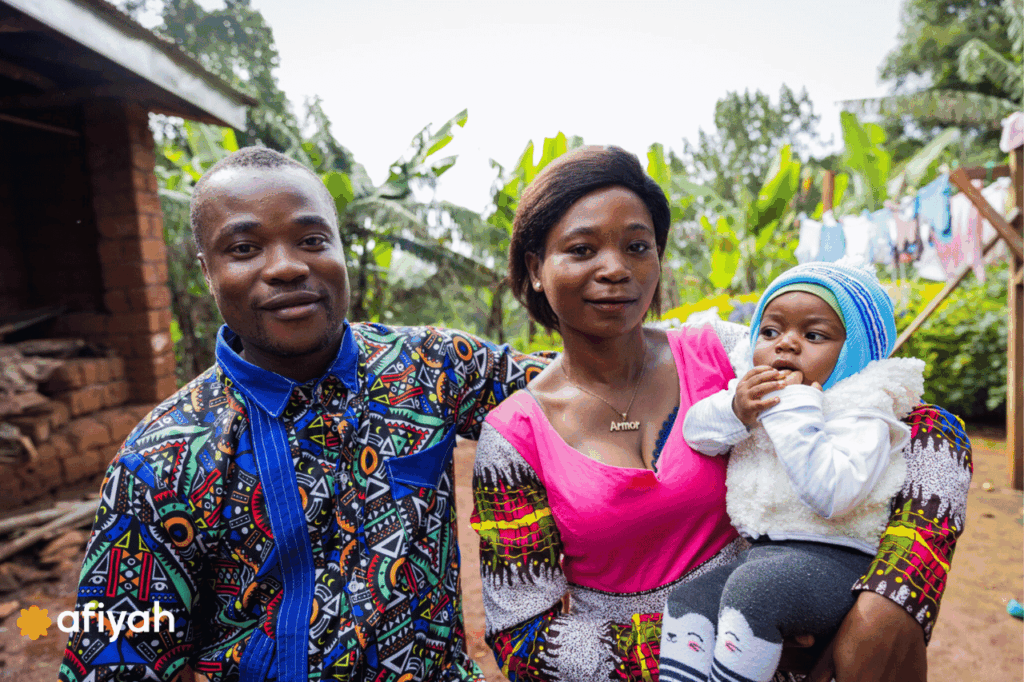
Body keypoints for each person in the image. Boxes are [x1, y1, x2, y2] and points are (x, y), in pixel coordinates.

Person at [470, 146, 972, 682]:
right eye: (582, 249)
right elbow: (524, 637)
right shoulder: (512, 439)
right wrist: (710, 646)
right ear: (536, 269)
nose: (615, 269)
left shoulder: (726, 354)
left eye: (638, 246)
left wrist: (893, 598)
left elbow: (928, 430)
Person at [58, 147, 548, 681]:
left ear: (340, 247)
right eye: (244, 248)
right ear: (207, 270)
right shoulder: (163, 458)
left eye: (312, 241)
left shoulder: (431, 369)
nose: (288, 266)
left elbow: (581, 386)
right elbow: (117, 658)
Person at [658, 262, 925, 682]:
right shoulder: (753, 395)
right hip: (762, 555)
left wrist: (795, 409)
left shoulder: (865, 411)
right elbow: (696, 433)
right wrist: (736, 410)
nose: (786, 344)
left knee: (755, 595)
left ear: (853, 352)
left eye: (813, 335)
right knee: (689, 602)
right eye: (770, 332)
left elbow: (832, 496)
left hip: (838, 561)